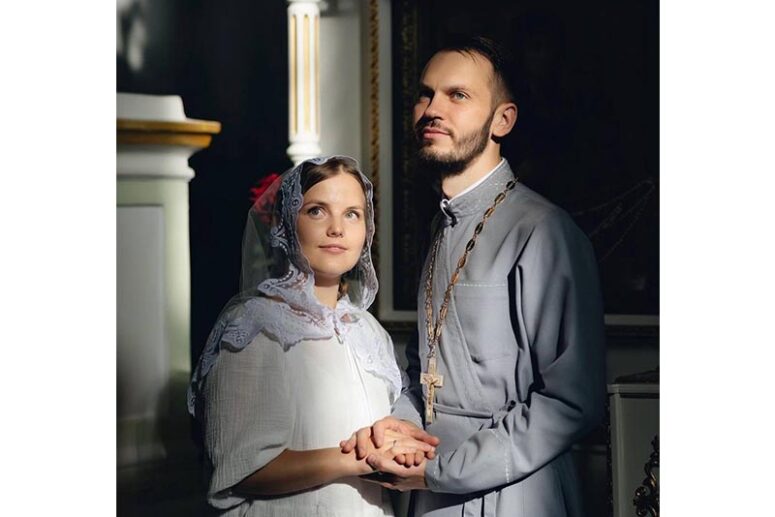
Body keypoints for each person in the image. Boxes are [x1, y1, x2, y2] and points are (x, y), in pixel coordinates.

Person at [341, 37, 606, 516]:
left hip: (515, 494)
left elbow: (572, 402)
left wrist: (444, 470)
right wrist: (398, 427)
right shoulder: (442, 227)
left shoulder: (544, 231)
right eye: (426, 94)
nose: (432, 110)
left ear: (502, 120)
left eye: (457, 95)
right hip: (427, 486)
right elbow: (426, 377)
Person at [188, 155, 436, 516]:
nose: (337, 228)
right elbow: (239, 470)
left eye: (352, 213)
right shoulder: (254, 326)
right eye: (318, 211)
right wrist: (358, 461)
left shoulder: (368, 332)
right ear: (288, 223)